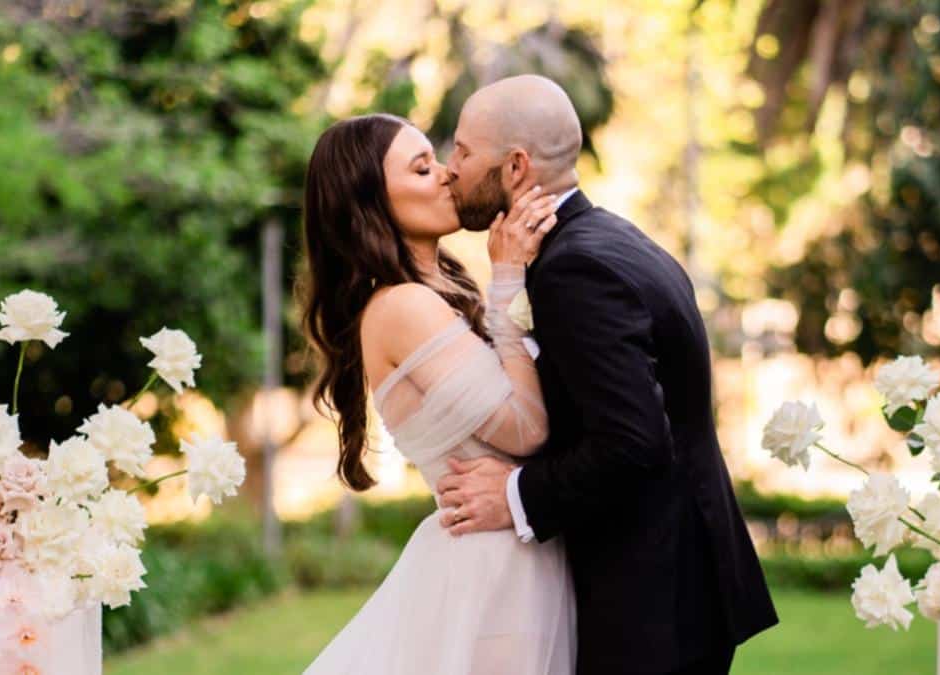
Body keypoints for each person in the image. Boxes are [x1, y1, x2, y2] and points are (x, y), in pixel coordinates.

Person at [435, 75, 778, 674]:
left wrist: (513, 495)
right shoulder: (610, 240)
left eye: (463, 151)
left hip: (650, 601)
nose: (450, 167)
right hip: (676, 584)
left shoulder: (577, 270)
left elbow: (633, 442)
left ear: (515, 167)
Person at [298, 112, 575, 674]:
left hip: (512, 554)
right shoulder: (403, 306)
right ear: (370, 203)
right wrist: (508, 281)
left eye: (439, 158)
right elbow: (525, 427)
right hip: (492, 570)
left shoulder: (439, 293)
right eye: (422, 168)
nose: (449, 174)